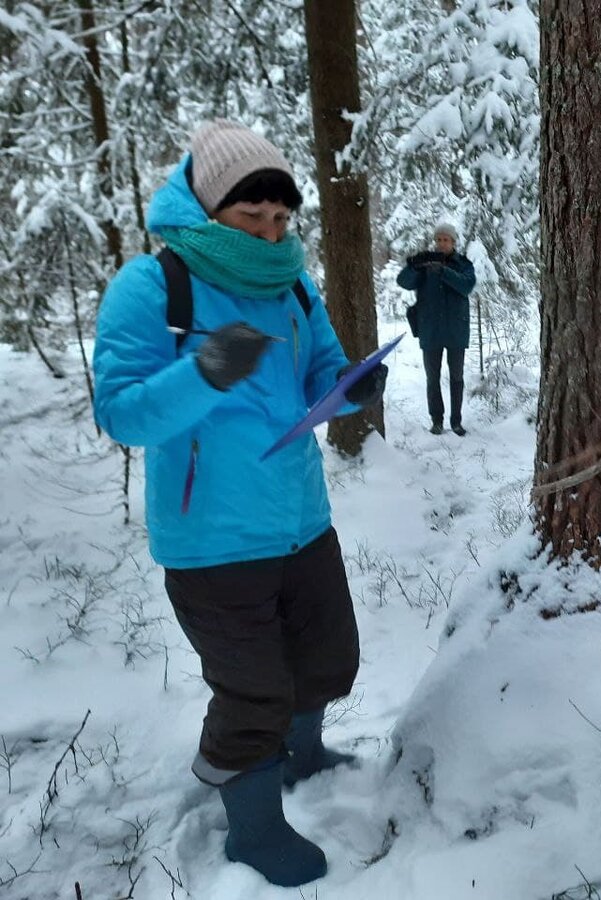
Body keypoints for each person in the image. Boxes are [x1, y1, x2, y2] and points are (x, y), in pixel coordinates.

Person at [93, 120, 387, 887]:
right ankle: (251, 830)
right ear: (208, 205)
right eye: (251, 215)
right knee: (253, 691)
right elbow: (122, 412)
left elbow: (320, 367)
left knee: (328, 660)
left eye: (282, 218)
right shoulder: (156, 285)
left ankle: (306, 752)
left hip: (300, 520)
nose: (269, 230)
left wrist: (351, 388)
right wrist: (208, 368)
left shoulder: (291, 280)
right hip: (212, 539)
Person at [397, 222, 476, 435]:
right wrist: (413, 265)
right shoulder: (425, 263)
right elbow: (404, 282)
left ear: (453, 242)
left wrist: (443, 271)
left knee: (457, 377)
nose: (441, 243)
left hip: (456, 331)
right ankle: (437, 420)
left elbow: (466, 286)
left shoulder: (463, 264)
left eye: (446, 240)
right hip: (430, 330)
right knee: (432, 378)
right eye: (439, 239)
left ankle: (456, 421)